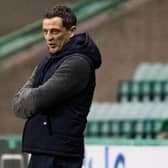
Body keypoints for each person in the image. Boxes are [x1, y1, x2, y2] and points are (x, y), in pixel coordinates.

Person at [13, 5, 101, 168]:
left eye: (55, 31)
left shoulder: (77, 63)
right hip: (44, 149)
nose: (48, 37)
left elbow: (39, 99)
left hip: (60, 155)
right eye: (45, 31)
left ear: (72, 31)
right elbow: (17, 103)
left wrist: (31, 97)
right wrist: (31, 97)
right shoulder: (48, 61)